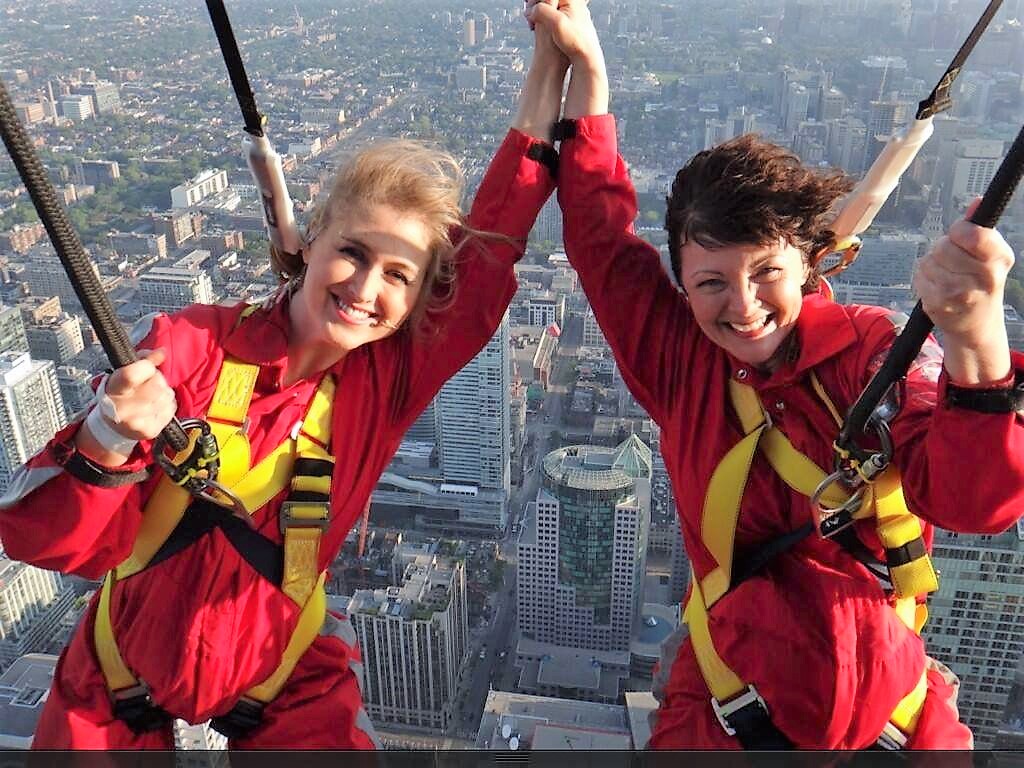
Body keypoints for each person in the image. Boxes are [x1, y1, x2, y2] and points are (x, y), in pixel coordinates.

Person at [0, 23, 571, 750]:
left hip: (283, 680)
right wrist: (106, 438)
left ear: (420, 294)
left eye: (398, 275)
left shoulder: (384, 380)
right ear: (310, 241)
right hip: (114, 681)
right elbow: (40, 539)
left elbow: (492, 243)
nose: (366, 288)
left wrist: (550, 59)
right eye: (353, 254)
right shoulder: (190, 347)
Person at [526, 0, 1024, 750]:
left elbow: (971, 501)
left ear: (811, 264)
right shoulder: (681, 364)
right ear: (683, 283)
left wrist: (977, 344)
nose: (744, 306)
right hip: (726, 710)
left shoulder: (868, 354)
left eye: (766, 273)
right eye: (712, 282)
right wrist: (587, 70)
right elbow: (599, 235)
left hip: (889, 719)